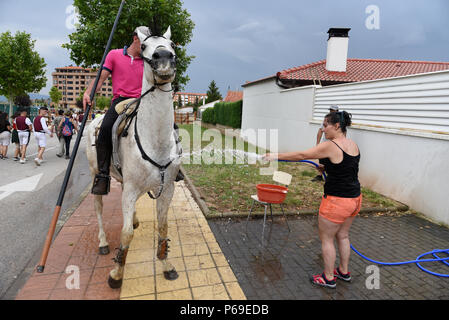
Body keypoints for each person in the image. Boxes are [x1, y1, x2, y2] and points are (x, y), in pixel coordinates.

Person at [264, 111, 361, 289]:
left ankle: (329, 277)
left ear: (337, 126)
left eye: (325, 125)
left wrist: (275, 156)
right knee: (343, 235)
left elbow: (302, 155)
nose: (323, 130)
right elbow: (346, 167)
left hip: (336, 201)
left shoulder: (331, 145)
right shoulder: (353, 145)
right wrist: (328, 166)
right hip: (354, 198)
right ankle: (344, 272)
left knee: (327, 239)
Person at [83, 26, 183, 195]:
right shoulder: (114, 55)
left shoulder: (149, 58)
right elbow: (101, 78)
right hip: (120, 102)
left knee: (171, 128)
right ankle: (103, 175)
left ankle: (175, 167)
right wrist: (88, 92)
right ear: (136, 38)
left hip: (145, 101)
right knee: (105, 130)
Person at [311, 105, 339, 182]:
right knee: (322, 159)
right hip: (325, 143)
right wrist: (317, 143)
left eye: (333, 110)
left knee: (332, 160)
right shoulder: (326, 119)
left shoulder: (339, 121)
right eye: (330, 110)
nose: (331, 112)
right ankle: (320, 176)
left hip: (334, 144)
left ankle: (331, 177)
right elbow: (320, 131)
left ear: (337, 111)